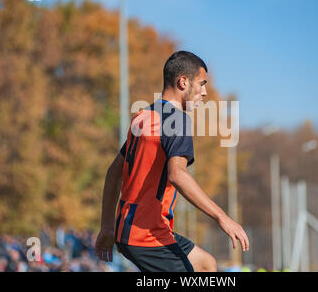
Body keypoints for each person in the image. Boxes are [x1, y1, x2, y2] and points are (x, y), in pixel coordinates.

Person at [95, 51, 249, 272]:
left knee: (206, 265)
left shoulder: (143, 116)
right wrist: (223, 217)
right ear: (183, 82)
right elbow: (177, 174)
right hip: (146, 235)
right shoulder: (177, 120)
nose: (204, 92)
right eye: (201, 83)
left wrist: (107, 227)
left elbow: (113, 173)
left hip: (129, 229)